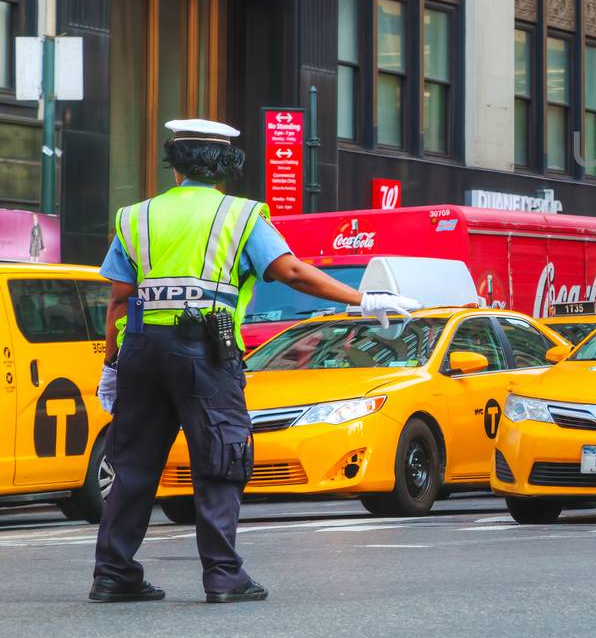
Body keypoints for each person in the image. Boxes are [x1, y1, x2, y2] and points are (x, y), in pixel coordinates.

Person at [90, 119, 419, 604]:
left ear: (174, 163)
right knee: (222, 457)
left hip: (142, 349)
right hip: (205, 350)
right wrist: (361, 298)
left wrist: (112, 365)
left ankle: (114, 574)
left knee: (133, 464)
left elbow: (119, 301)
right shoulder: (240, 216)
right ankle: (223, 576)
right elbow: (289, 271)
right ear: (226, 165)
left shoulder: (136, 217)